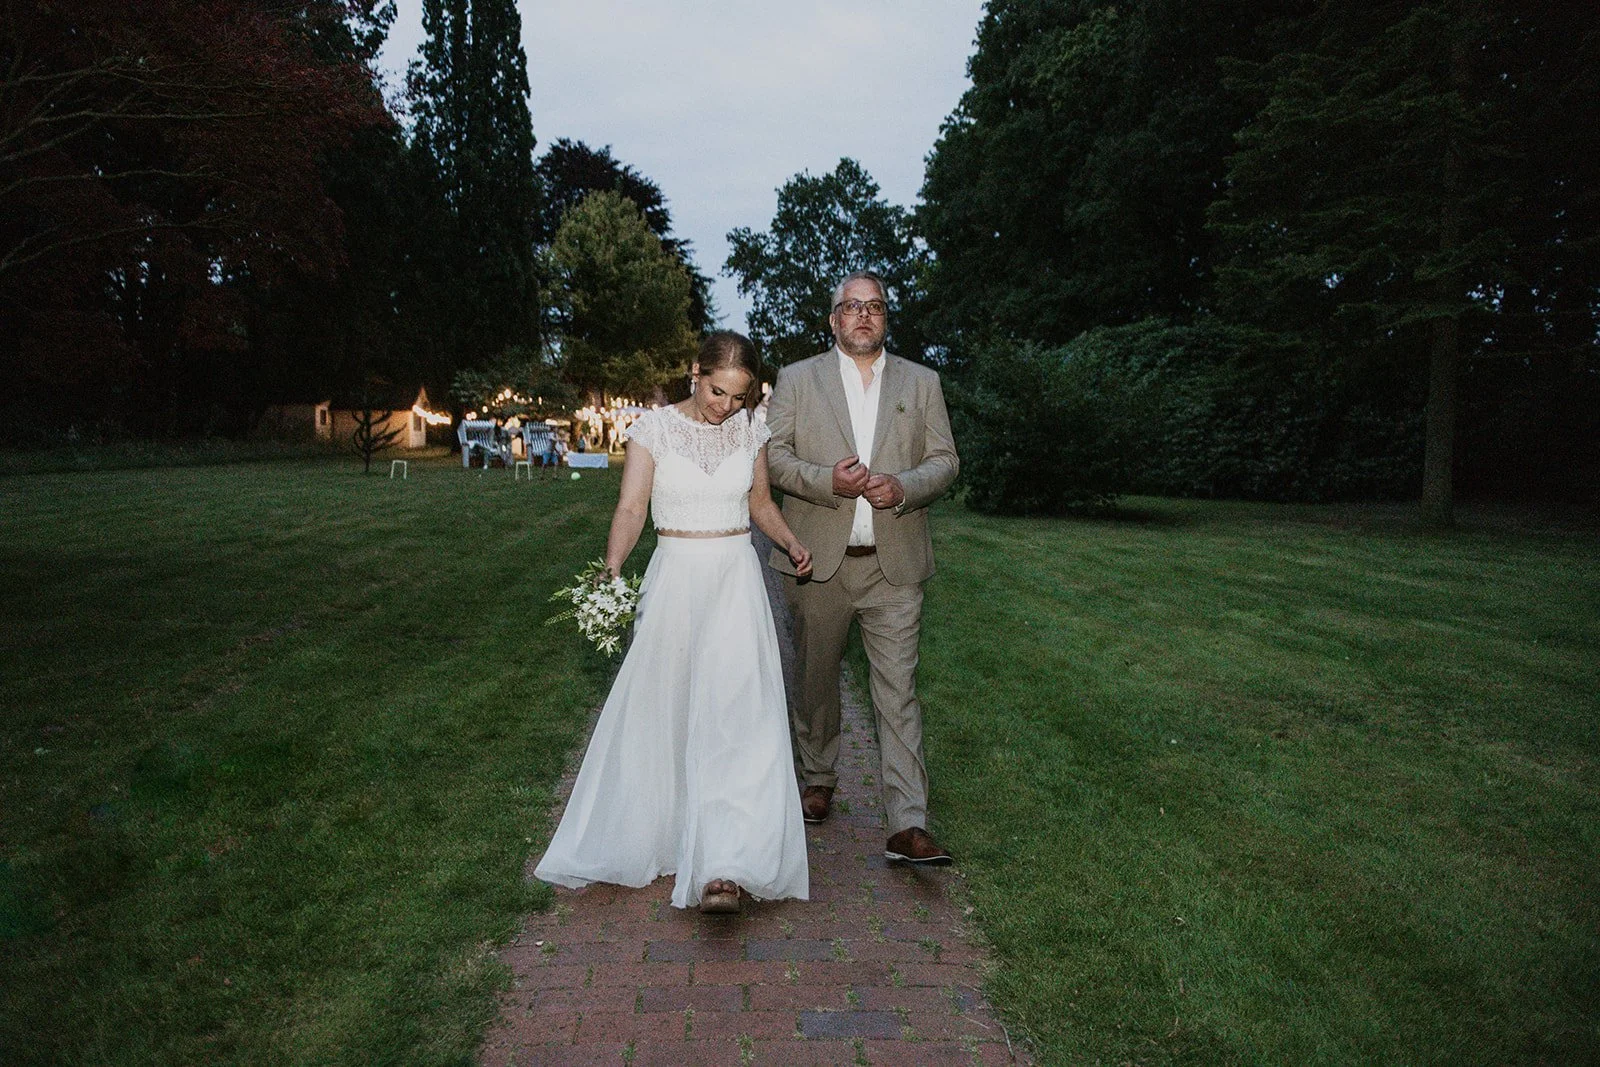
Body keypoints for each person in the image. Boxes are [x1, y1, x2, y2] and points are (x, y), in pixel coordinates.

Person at [535, 331, 813, 914]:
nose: (726, 407)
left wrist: (790, 542)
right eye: (718, 392)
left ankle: (726, 865)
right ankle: (665, 832)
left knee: (737, 715)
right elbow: (633, 507)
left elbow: (760, 503)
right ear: (694, 373)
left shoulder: (750, 429)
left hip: (735, 579)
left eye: (738, 397)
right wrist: (611, 569)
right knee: (669, 707)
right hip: (676, 580)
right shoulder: (652, 430)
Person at [765, 270, 960, 865]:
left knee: (897, 691)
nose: (863, 315)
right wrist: (828, 481)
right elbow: (772, 459)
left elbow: (946, 461)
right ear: (833, 319)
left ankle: (907, 822)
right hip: (816, 562)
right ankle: (819, 776)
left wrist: (902, 487)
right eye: (851, 307)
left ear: (885, 317)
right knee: (814, 679)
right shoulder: (797, 379)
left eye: (874, 306)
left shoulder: (922, 382)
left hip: (893, 564)